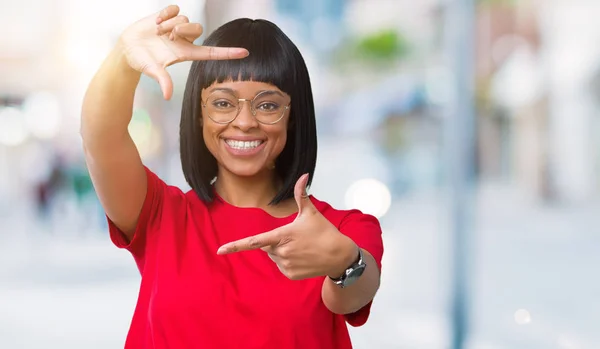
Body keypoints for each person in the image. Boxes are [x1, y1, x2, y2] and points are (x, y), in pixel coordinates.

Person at [81, 4, 384, 349]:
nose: (244, 122)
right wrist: (123, 59)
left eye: (268, 105)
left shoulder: (346, 228)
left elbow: (351, 297)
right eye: (223, 103)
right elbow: (100, 138)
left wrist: (345, 261)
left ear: (293, 117)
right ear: (199, 115)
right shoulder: (160, 214)